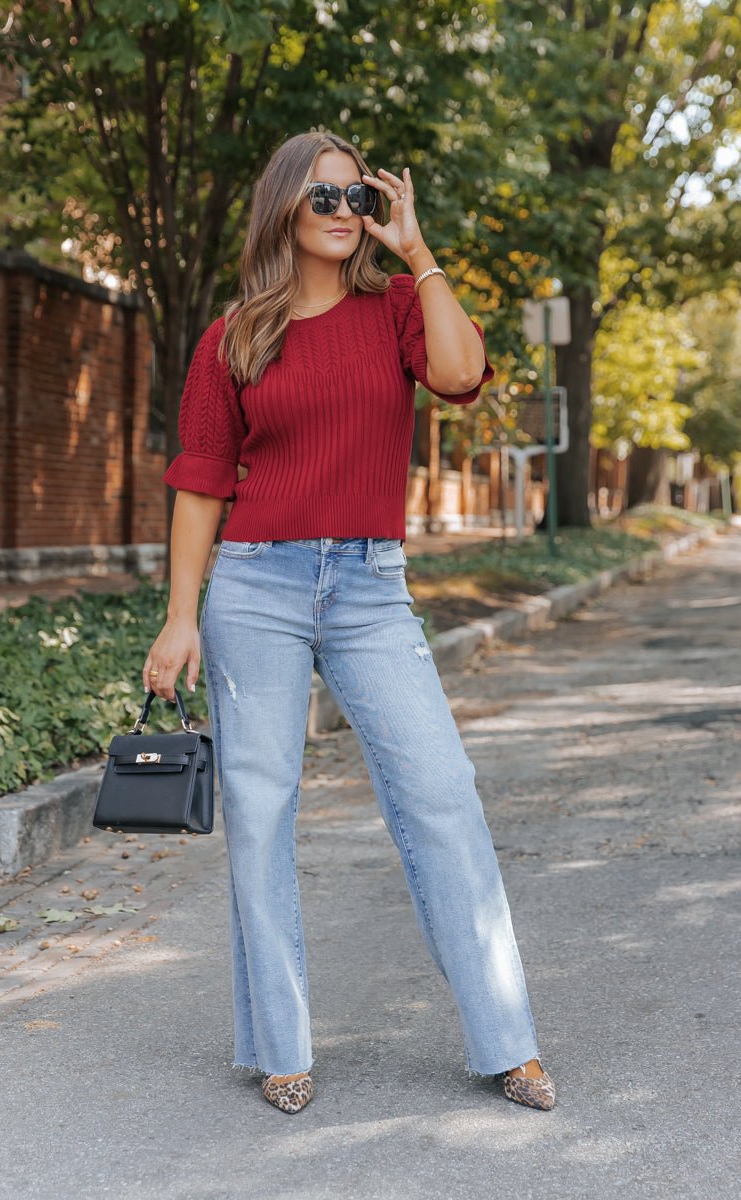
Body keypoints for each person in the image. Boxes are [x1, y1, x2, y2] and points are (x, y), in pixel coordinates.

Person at [144, 130, 556, 1116]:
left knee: (442, 795)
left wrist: (417, 250)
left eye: (355, 197)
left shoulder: (397, 310)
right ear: (286, 205)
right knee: (261, 810)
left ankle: (506, 1041)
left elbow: (461, 377)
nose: (341, 213)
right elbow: (200, 486)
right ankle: (280, 1044)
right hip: (256, 587)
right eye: (322, 197)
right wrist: (178, 618)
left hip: (370, 587)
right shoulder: (234, 336)